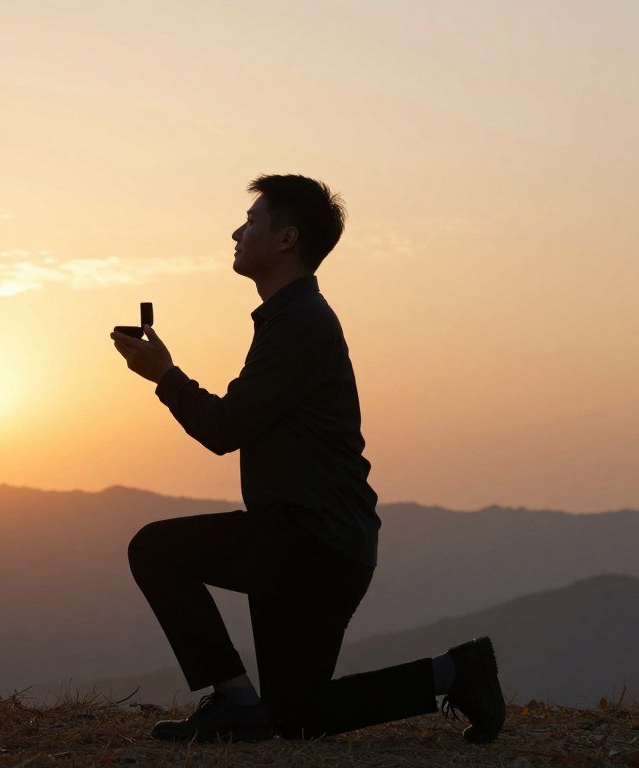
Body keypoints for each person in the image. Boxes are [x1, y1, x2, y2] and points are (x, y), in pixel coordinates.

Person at [109, 174, 505, 744]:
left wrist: (164, 376)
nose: (237, 232)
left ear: (287, 238)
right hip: (324, 542)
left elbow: (224, 428)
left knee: (154, 549)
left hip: (311, 542)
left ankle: (234, 701)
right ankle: (456, 672)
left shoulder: (299, 326)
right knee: (298, 715)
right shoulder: (291, 320)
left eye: (251, 222)